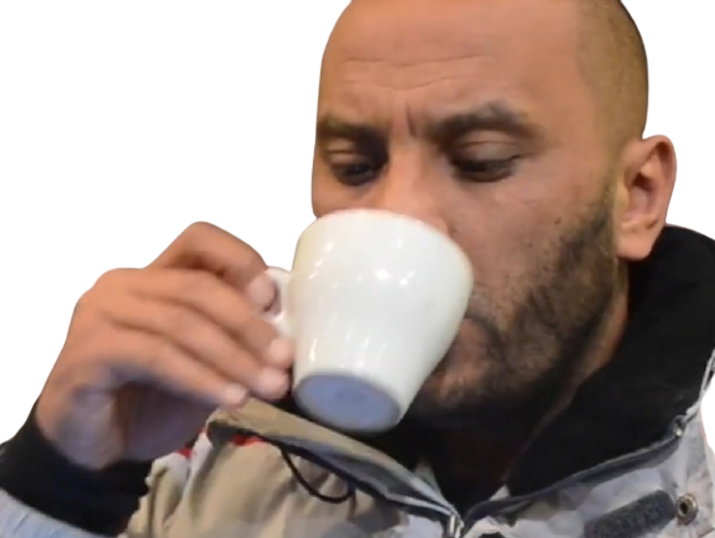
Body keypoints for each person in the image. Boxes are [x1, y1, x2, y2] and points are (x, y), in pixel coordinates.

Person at [0, 0, 713, 536]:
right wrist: (60, 485)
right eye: (354, 166)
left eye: (481, 162)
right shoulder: (205, 446)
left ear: (636, 197)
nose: (396, 215)